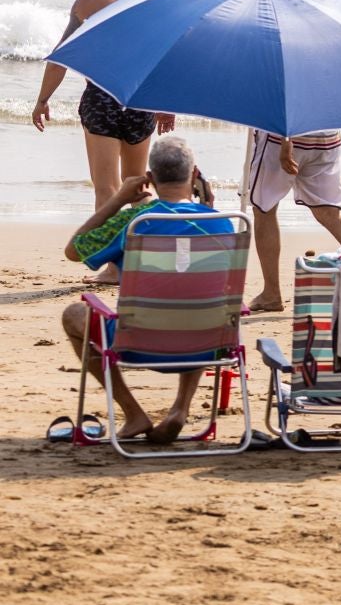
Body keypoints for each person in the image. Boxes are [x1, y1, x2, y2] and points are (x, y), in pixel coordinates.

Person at [58, 136, 231, 445]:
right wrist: (209, 209)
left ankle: (133, 411)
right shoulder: (223, 225)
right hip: (207, 345)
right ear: (194, 176)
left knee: (74, 314)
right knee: (200, 304)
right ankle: (180, 409)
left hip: (138, 344)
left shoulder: (135, 221)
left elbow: (74, 250)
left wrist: (118, 200)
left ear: (149, 179)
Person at [32, 0, 175, 284]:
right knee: (137, 185)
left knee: (107, 188)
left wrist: (43, 99)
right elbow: (166, 56)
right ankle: (147, 260)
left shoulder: (87, 3)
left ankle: (114, 268)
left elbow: (60, 58)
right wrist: (166, 102)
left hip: (101, 99)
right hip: (140, 100)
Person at [240, 0, 341, 313]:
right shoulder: (325, 9)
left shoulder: (275, 12)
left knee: (263, 208)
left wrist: (285, 139)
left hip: (284, 132)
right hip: (327, 131)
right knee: (328, 212)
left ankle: (271, 293)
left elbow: (283, 77)